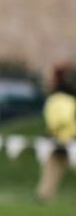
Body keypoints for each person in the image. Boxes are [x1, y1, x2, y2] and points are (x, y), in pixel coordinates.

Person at [36, 63, 76, 202]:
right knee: (52, 167)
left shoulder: (55, 100)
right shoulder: (69, 100)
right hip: (67, 139)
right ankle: (43, 195)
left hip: (63, 139)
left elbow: (61, 120)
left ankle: (43, 195)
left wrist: (53, 130)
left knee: (52, 168)